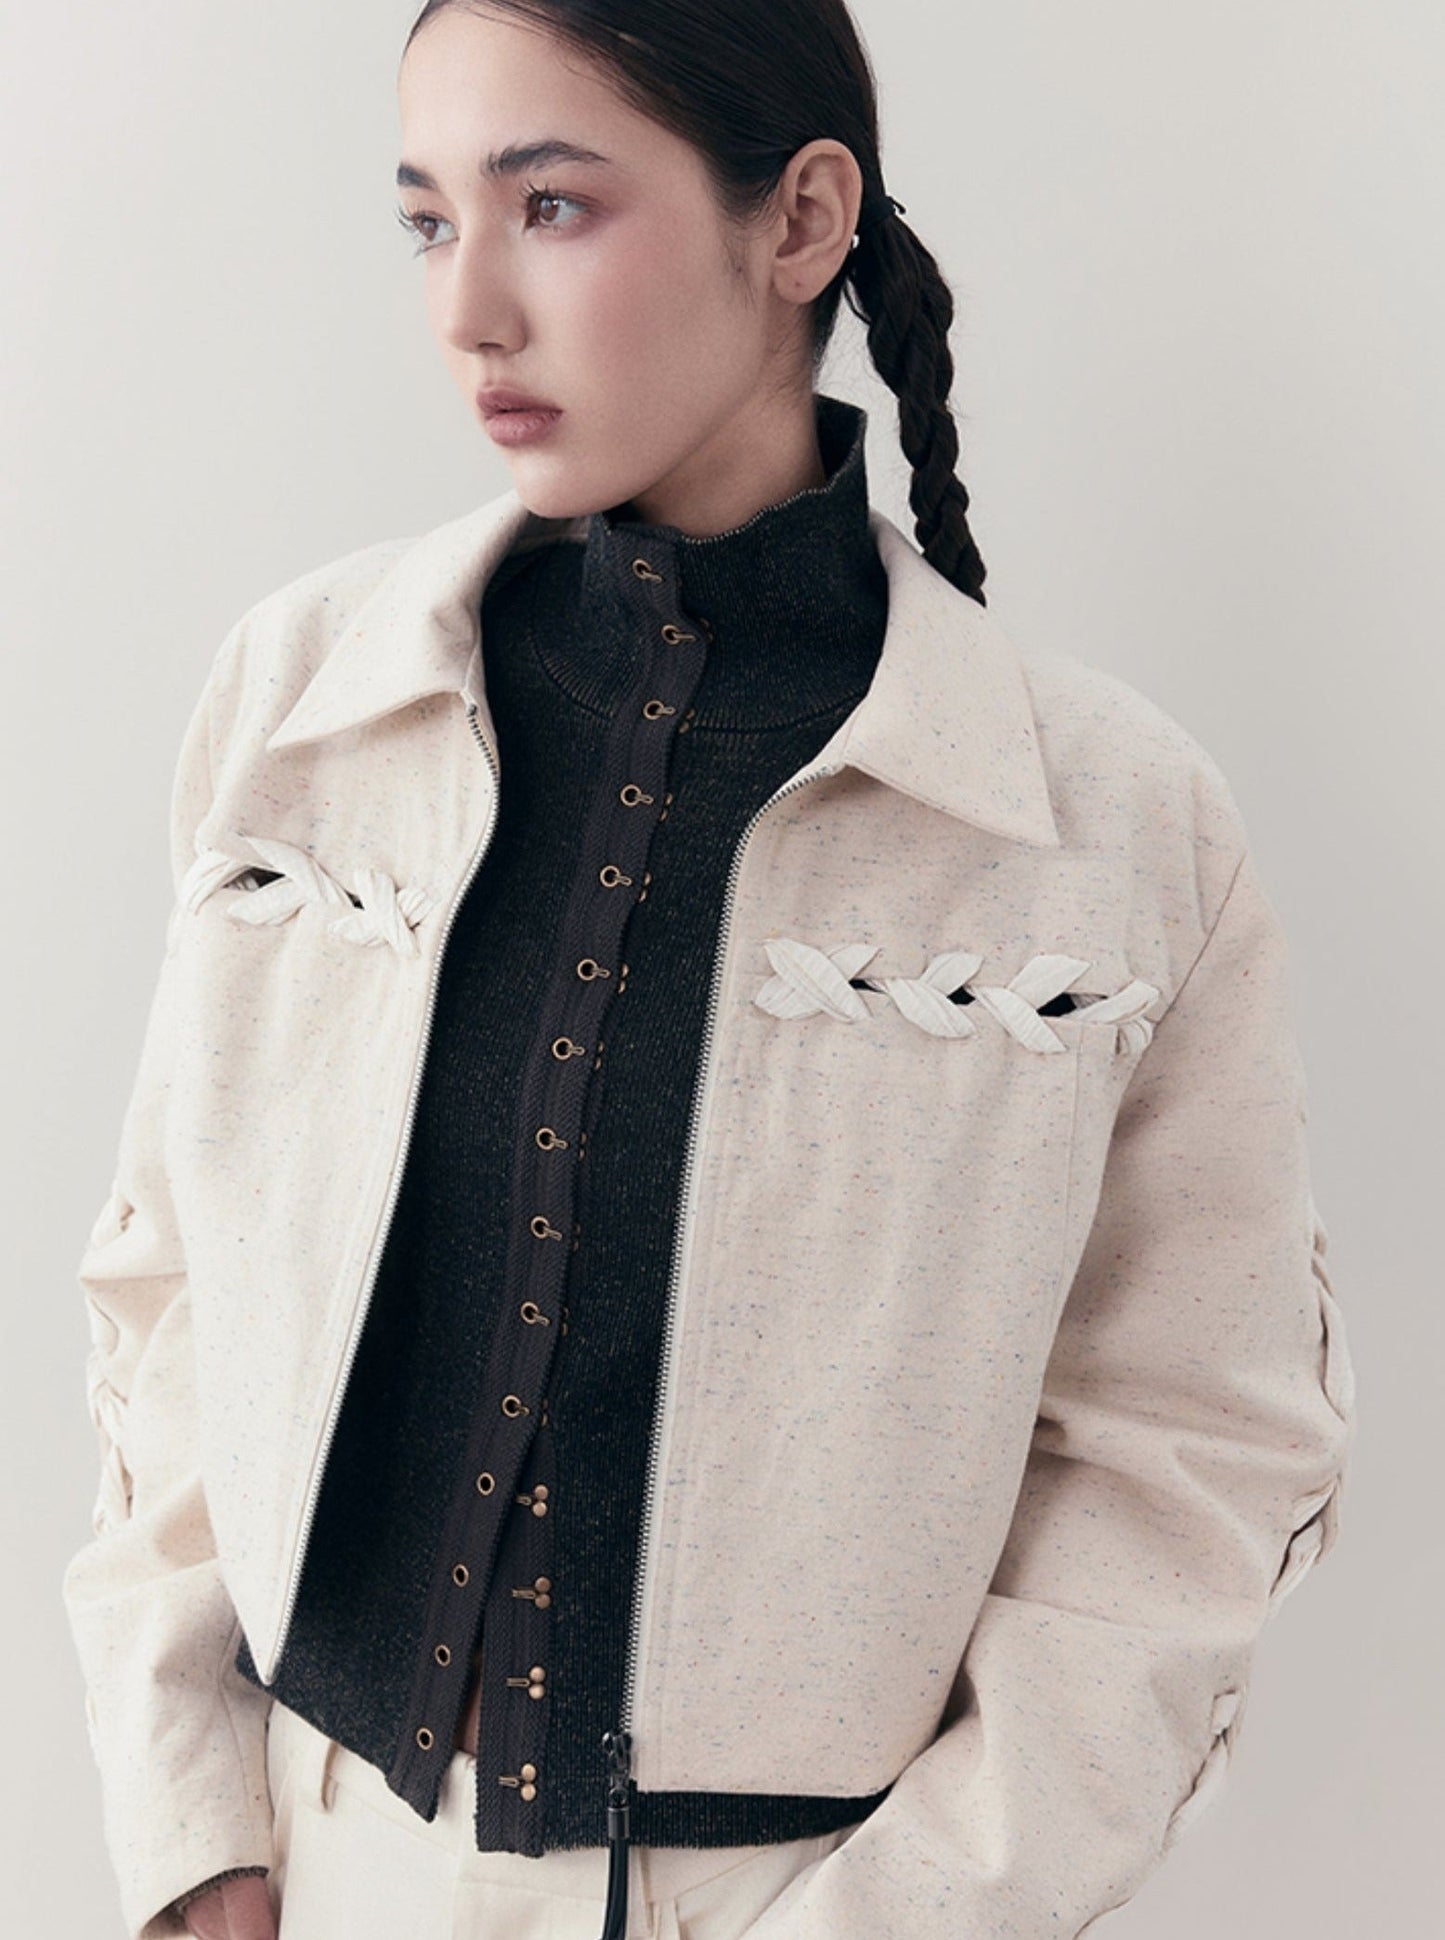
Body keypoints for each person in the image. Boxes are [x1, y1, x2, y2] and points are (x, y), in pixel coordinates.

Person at [61, 3, 1358, 1938]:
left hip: (797, 1896)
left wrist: (906, 1915)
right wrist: (191, 1829)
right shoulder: (306, 704)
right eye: (427, 221)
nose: (467, 311)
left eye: (551, 206)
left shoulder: (1110, 824)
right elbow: (175, 1290)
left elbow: (1186, 1465)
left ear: (802, 220)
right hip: (311, 1867)